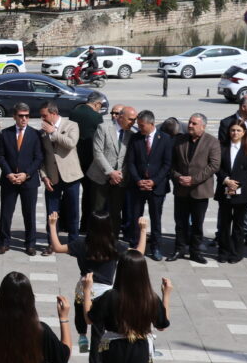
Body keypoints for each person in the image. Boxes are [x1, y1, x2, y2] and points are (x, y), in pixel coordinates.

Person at [49, 211, 145, 363]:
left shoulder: (81, 244)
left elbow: (57, 247)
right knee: (98, 333)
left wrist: (52, 225)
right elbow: (139, 253)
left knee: (80, 312)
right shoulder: (116, 246)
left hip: (84, 287)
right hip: (104, 295)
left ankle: (81, 334)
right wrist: (143, 230)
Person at [167, 114, 219, 263]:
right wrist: (178, 177)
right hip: (181, 189)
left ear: (203, 126)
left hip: (200, 190)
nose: (190, 125)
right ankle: (179, 249)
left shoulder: (212, 142)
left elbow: (214, 165)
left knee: (197, 223)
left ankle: (195, 251)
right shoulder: (179, 140)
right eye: (190, 122)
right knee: (180, 222)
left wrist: (193, 179)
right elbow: (171, 164)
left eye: (194, 123)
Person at [217, 95, 247, 251]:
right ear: (244, 107)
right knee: (226, 205)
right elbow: (222, 150)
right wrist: (228, 179)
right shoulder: (226, 122)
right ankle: (222, 237)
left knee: (245, 204)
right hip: (229, 176)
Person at [125, 110, 173, 261]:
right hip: (138, 185)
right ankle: (136, 245)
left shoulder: (165, 139)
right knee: (135, 217)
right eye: (138, 125)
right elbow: (130, 162)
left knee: (156, 217)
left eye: (142, 125)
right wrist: (138, 180)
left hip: (156, 187)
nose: (139, 128)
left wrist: (154, 181)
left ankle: (156, 247)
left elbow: (167, 164)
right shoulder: (136, 138)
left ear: (151, 124)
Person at [0, 103, 44, 256]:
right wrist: (9, 173)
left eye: (27, 116)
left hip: (28, 181)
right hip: (9, 180)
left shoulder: (35, 134)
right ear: (14, 116)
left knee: (29, 213)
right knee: (6, 213)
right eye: (21, 116)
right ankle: (4, 242)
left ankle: (30, 244)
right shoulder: (5, 134)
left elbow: (38, 158)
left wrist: (26, 174)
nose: (24, 119)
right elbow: (1, 156)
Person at [37, 100, 81, 250]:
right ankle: (52, 243)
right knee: (52, 212)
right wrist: (44, 176)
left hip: (71, 176)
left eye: (44, 115)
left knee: (73, 211)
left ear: (54, 113)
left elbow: (71, 143)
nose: (42, 119)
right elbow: (42, 157)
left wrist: (53, 133)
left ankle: (73, 243)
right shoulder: (42, 131)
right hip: (52, 178)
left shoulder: (71, 125)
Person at [88, 105, 135, 238]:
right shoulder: (104, 128)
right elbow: (98, 153)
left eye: (134, 120)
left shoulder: (131, 134)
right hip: (100, 177)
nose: (133, 122)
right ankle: (93, 241)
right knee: (97, 212)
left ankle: (113, 241)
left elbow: (128, 159)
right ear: (121, 117)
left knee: (115, 213)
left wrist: (119, 174)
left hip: (119, 181)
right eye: (130, 119)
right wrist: (111, 172)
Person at [215, 120, 247, 263]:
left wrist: (236, 185)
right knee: (224, 223)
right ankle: (223, 251)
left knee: (239, 225)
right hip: (225, 187)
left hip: (242, 191)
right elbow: (217, 166)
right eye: (233, 130)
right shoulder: (222, 147)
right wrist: (226, 181)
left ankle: (236, 253)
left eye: (238, 130)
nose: (235, 133)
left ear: (244, 132)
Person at [70, 92, 105, 232]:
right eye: (100, 106)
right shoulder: (96, 117)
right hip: (90, 161)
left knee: (71, 193)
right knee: (89, 195)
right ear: (96, 104)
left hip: (74, 158)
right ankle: (85, 225)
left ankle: (68, 223)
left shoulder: (75, 112)